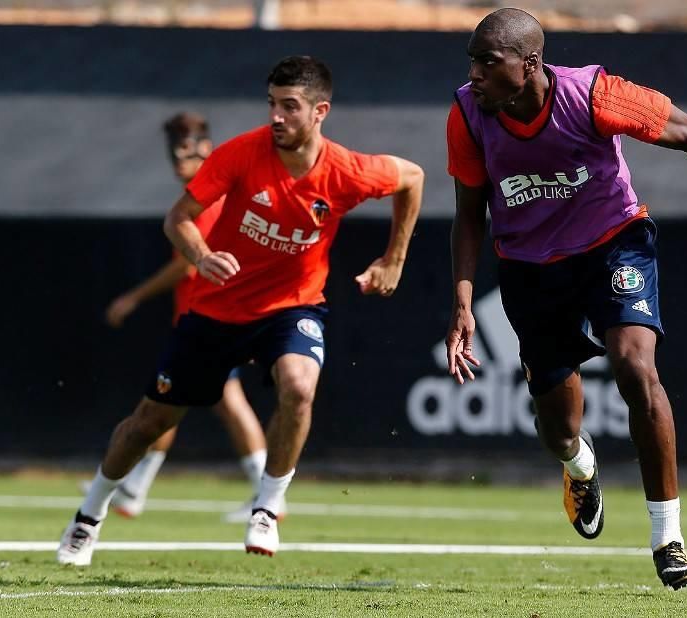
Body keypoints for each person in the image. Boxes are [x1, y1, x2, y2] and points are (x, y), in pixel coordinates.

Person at [444, 8, 687, 590]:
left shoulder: (593, 94)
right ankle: (580, 466)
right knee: (559, 429)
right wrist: (463, 302)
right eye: (473, 62)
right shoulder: (467, 113)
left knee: (636, 369)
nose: (475, 75)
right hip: (530, 267)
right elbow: (469, 213)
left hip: (613, 243)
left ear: (531, 64)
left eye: (488, 62)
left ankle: (669, 540)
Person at [58, 56, 424, 566]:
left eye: (289, 107)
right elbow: (178, 219)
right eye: (272, 104)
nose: (276, 116)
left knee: (298, 385)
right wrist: (202, 256)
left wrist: (394, 259)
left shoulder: (346, 171)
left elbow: (413, 177)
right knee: (149, 422)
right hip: (217, 312)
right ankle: (90, 514)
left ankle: (267, 508)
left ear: (320, 111)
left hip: (292, 306)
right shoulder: (241, 155)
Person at [97, 112, 267, 523]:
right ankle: (136, 487)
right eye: (174, 152)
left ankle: (267, 497)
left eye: (186, 150)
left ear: (204, 148)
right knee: (173, 400)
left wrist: (133, 298)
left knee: (191, 399)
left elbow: (188, 266)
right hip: (203, 316)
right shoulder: (205, 189)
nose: (178, 161)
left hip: (211, 318)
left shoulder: (209, 194)